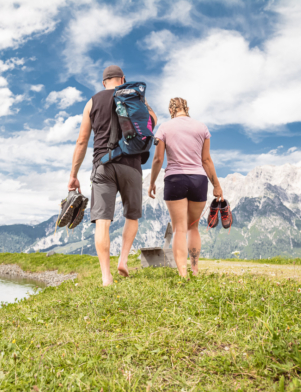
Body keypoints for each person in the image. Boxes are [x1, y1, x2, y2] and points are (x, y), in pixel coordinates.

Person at [68, 65, 157, 286]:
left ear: (103, 82)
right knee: (132, 216)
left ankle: (106, 277)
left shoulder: (92, 101)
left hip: (103, 165)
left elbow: (82, 141)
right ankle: (123, 261)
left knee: (102, 221)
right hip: (132, 165)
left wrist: (73, 174)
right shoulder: (136, 97)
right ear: (122, 79)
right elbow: (152, 122)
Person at [148, 97, 224, 278]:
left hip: (175, 179)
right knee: (193, 227)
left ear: (171, 110)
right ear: (186, 108)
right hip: (198, 179)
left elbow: (158, 159)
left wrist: (151, 182)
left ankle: (183, 273)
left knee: (179, 229)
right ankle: (195, 270)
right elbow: (206, 160)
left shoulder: (165, 128)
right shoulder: (202, 128)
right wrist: (217, 186)